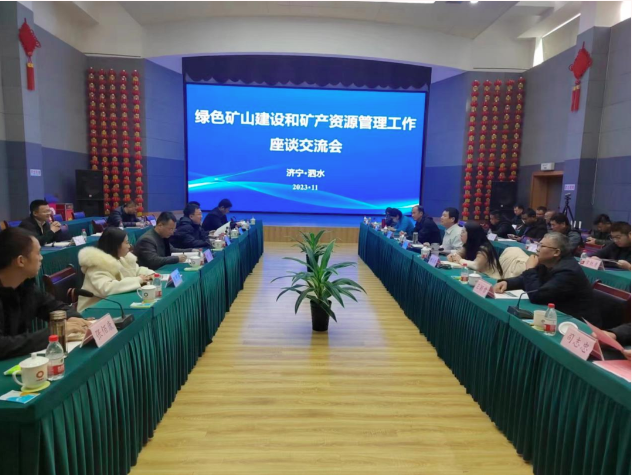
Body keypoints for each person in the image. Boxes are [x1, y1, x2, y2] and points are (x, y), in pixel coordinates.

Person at [0, 228, 88, 360]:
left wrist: (71, 317)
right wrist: (53, 333)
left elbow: (54, 306)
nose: (41, 258)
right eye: (38, 253)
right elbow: (2, 346)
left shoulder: (26, 286)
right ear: (21, 261)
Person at [493, 232, 598, 325]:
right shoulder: (548, 262)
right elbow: (527, 279)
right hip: (556, 314)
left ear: (556, 252)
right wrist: (507, 283)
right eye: (538, 244)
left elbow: (537, 296)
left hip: (577, 324)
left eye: (542, 246)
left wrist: (530, 269)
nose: (537, 249)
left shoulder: (567, 272)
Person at [78, 227, 154, 312]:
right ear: (116, 246)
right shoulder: (97, 265)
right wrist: (138, 280)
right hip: (93, 310)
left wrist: (151, 274)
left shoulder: (122, 258)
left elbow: (136, 270)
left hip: (112, 305)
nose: (129, 246)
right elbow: (107, 288)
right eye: (126, 243)